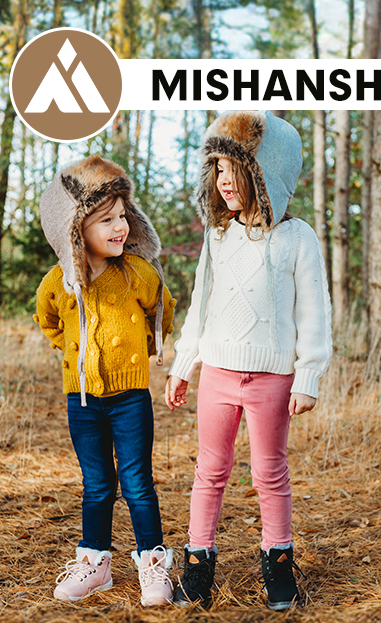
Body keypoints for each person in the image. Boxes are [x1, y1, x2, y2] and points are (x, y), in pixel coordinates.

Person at [165, 111, 332, 611]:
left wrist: (309, 374)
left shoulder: (297, 237)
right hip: (217, 372)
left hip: (272, 379)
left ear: (264, 172)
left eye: (232, 168)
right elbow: (202, 303)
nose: (222, 180)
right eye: (215, 169)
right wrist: (183, 363)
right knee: (210, 470)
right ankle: (198, 566)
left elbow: (314, 310)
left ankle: (278, 565)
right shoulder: (217, 237)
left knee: (269, 472)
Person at [34, 156, 177, 606]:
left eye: (123, 216)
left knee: (136, 482)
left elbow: (162, 307)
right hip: (81, 400)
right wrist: (73, 353)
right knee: (97, 485)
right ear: (75, 229)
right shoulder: (58, 282)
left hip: (130, 396)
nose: (120, 227)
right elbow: (50, 321)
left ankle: (152, 564)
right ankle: (96, 562)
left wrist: (150, 344)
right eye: (106, 219)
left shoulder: (136, 273)